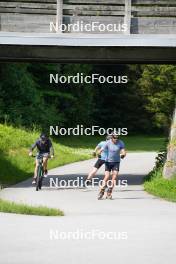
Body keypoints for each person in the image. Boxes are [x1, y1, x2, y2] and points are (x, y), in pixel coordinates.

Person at [98, 133, 126, 199]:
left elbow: (123, 151)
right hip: (108, 162)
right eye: (114, 138)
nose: (116, 140)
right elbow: (101, 150)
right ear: (111, 138)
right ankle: (102, 191)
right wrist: (99, 154)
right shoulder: (107, 143)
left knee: (114, 177)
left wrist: (123, 154)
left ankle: (109, 192)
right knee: (107, 176)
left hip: (116, 162)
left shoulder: (120, 142)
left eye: (117, 138)